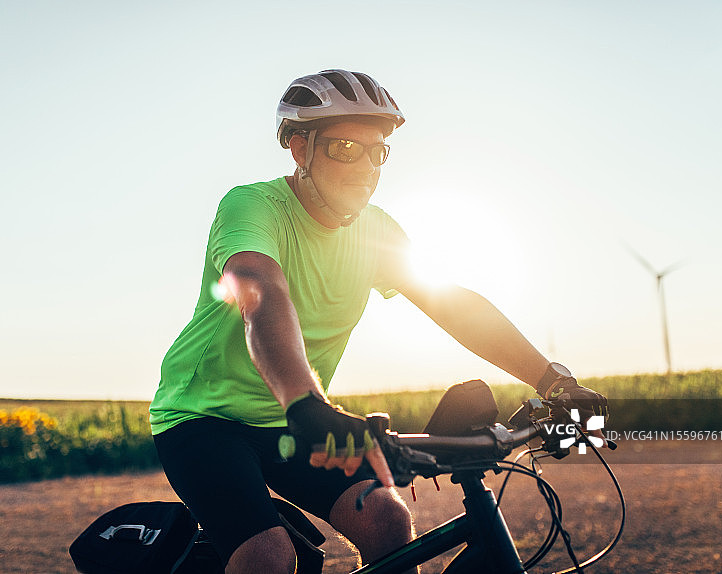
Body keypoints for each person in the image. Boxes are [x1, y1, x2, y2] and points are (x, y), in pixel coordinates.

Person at [149, 69, 608, 574]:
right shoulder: (254, 205)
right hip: (205, 419)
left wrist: (553, 380)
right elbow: (259, 288)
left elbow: (452, 303)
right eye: (346, 148)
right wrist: (306, 402)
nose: (367, 165)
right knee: (268, 556)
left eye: (378, 151)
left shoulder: (376, 231)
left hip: (296, 418)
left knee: (388, 519)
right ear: (299, 149)